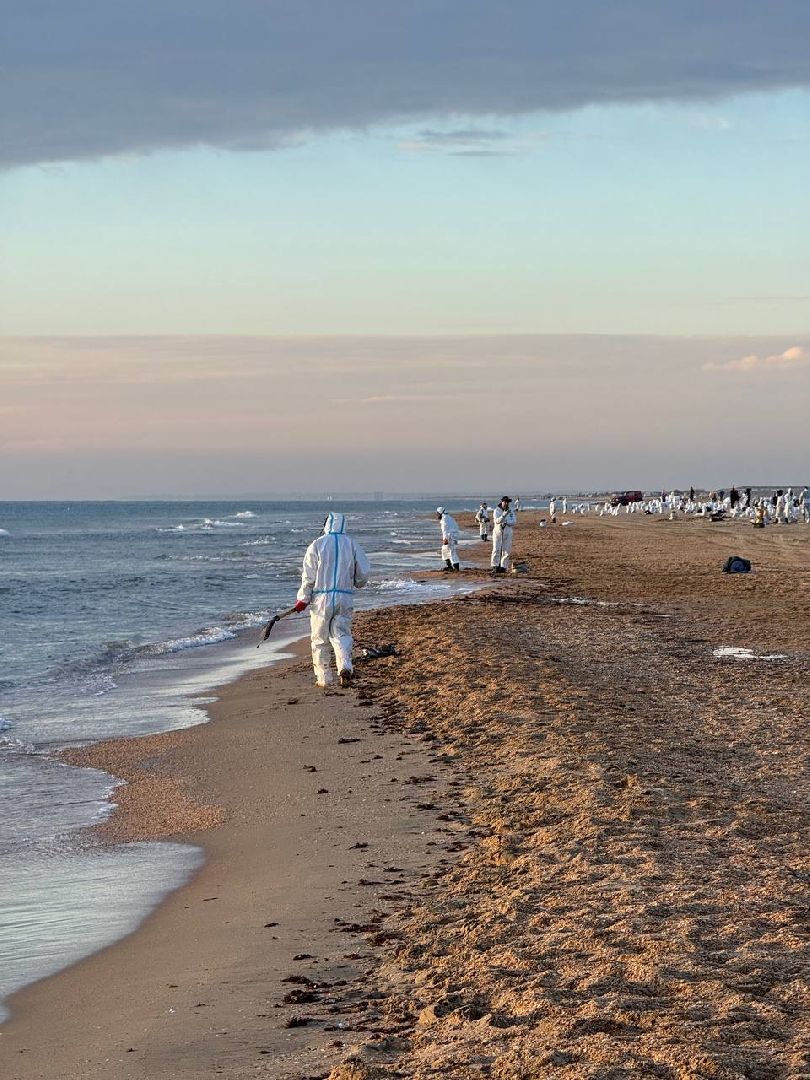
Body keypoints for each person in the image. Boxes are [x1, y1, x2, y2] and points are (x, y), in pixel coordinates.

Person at [294, 512, 370, 689]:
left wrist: (303, 598)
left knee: (320, 639)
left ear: (327, 525)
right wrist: (358, 583)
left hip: (321, 598)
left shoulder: (317, 545)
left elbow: (308, 577)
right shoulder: (352, 544)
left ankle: (324, 678)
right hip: (344, 597)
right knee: (341, 634)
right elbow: (363, 574)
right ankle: (345, 666)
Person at [491, 495, 517, 574]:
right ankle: (495, 565)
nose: (506, 504)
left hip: (508, 531)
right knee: (496, 549)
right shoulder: (496, 511)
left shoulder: (511, 511)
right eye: (505, 502)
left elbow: (514, 521)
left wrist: (507, 522)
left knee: (506, 550)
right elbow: (497, 521)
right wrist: (504, 515)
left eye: (507, 502)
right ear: (502, 502)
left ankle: (503, 566)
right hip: (498, 532)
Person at [436, 506, 460, 571]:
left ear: (440, 513)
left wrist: (445, 539)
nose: (437, 515)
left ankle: (456, 568)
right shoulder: (449, 518)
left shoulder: (444, 519)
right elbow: (456, 527)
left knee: (451, 552)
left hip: (450, 537)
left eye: (437, 514)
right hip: (453, 537)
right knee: (445, 551)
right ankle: (449, 566)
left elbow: (445, 530)